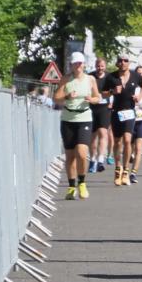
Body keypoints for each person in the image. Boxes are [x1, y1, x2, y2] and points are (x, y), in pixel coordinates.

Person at [54, 52, 100, 200]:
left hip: (84, 118)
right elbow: (56, 98)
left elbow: (97, 97)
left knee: (81, 152)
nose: (78, 66)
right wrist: (67, 96)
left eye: (80, 63)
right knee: (70, 156)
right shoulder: (66, 79)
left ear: (84, 64)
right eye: (76, 63)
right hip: (68, 118)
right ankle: (71, 186)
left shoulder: (90, 79)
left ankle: (82, 183)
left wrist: (91, 99)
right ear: (71, 65)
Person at [109, 53, 142, 186]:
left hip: (130, 112)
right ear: (117, 63)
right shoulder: (111, 76)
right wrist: (113, 91)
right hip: (116, 112)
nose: (123, 62)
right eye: (121, 60)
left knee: (127, 139)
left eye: (126, 60)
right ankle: (118, 169)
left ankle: (126, 171)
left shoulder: (135, 75)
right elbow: (102, 92)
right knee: (117, 142)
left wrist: (139, 97)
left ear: (129, 63)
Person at [88, 57, 115, 173]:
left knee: (103, 132)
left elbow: (114, 90)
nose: (100, 68)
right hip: (92, 107)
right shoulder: (90, 76)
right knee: (93, 136)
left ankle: (100, 159)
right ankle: (92, 159)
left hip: (105, 107)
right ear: (95, 66)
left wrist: (111, 101)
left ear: (105, 66)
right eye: (98, 66)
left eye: (102, 66)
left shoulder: (110, 77)